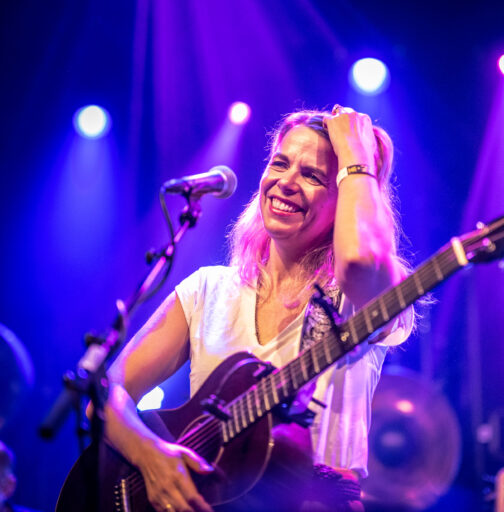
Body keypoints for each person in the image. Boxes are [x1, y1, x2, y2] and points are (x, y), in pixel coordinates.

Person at [101, 105, 413, 511]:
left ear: (345, 199)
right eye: (279, 164)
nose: (285, 182)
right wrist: (151, 457)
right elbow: (107, 392)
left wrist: (357, 155)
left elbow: (359, 261)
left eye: (312, 176)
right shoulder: (208, 289)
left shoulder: (357, 299)